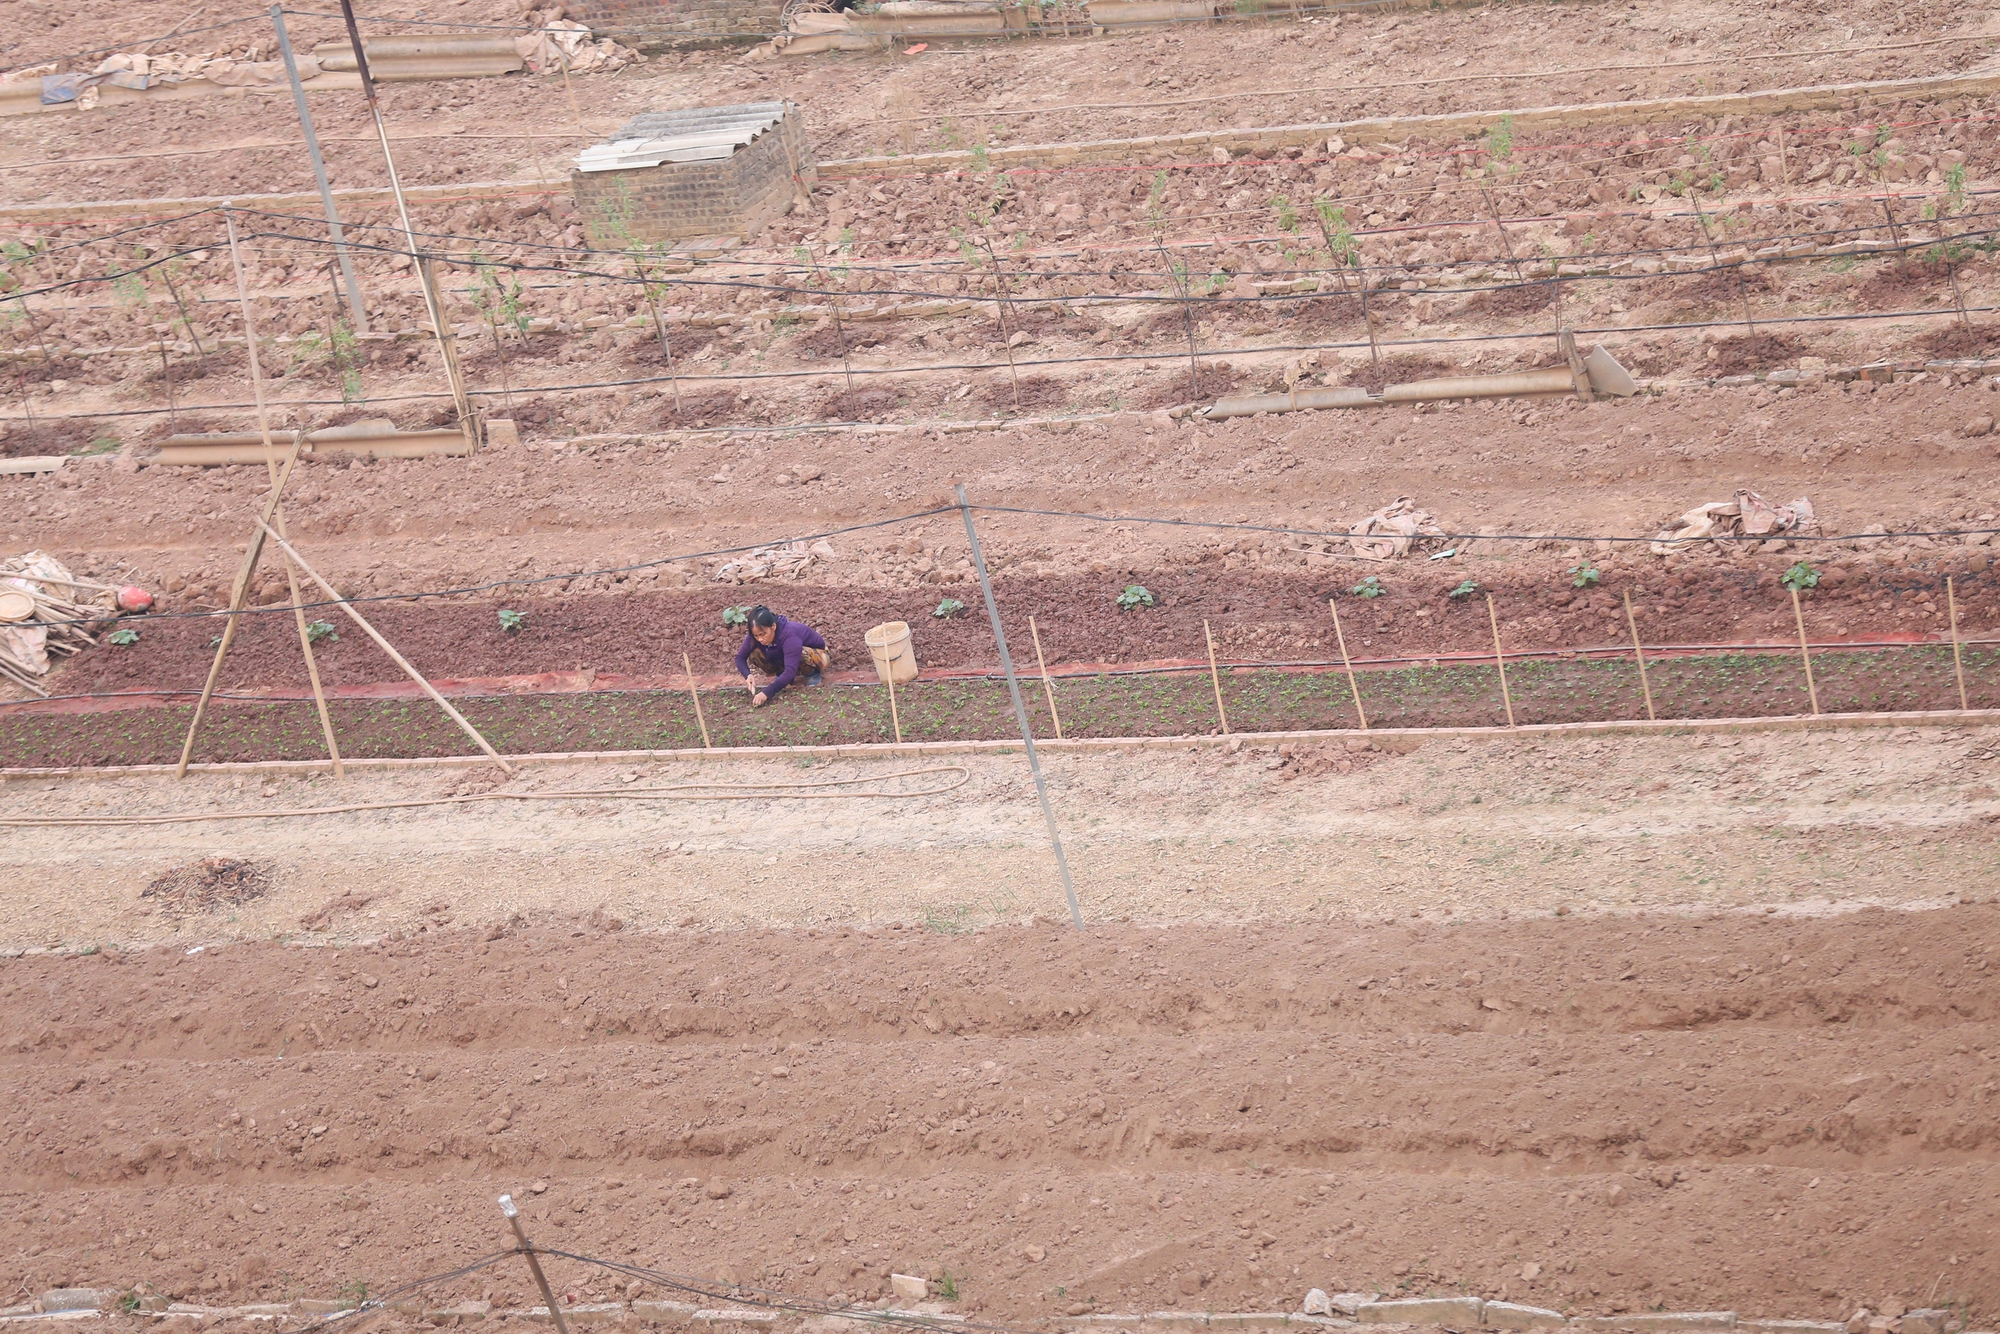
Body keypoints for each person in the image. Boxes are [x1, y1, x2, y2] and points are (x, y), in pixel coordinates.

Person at [734, 605, 830, 708]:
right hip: (790, 657)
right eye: (756, 636)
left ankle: (812, 674)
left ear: (773, 626)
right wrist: (747, 675)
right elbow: (740, 657)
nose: (760, 639)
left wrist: (766, 693)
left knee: (800, 653)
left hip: (819, 656)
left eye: (763, 634)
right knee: (755, 653)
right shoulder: (756, 635)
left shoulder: (789, 635)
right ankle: (782, 675)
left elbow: (790, 671)